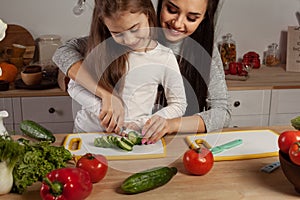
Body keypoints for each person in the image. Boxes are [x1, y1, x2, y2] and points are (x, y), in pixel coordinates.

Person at [53, 0, 231, 143]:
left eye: (192, 18)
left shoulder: (201, 51)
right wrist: (105, 95)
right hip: (101, 136)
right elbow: (63, 54)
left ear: (203, 19)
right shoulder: (124, 33)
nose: (177, 23)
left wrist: (171, 124)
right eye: (171, 9)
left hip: (164, 142)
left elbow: (222, 113)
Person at [64, 0, 187, 134]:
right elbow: (74, 86)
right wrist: (103, 108)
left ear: (147, 13)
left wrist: (144, 123)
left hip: (132, 135)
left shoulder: (164, 57)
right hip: (87, 132)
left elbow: (178, 104)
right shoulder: (100, 50)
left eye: (134, 29)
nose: (129, 40)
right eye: (117, 34)